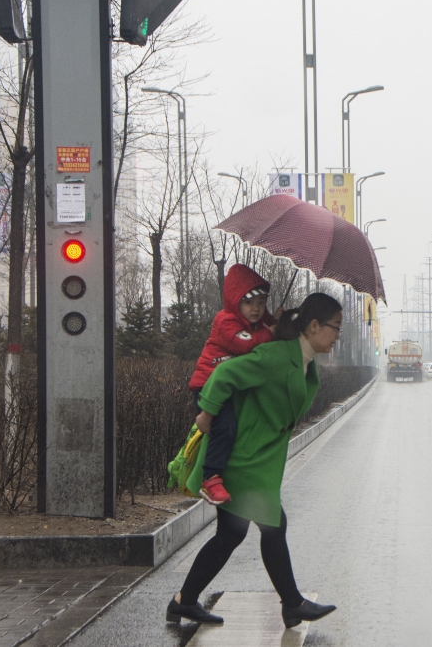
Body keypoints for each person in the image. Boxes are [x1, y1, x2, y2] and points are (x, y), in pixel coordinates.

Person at [167, 293, 342, 628]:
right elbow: (223, 375)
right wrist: (206, 412)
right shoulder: (275, 357)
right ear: (315, 325)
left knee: (231, 534)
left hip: (259, 458)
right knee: (272, 526)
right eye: (335, 328)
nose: (337, 336)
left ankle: (184, 601)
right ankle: (292, 604)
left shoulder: (303, 362)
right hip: (241, 459)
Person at [188, 264, 277, 505]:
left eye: (261, 302)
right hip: (208, 388)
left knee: (236, 429)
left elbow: (268, 334)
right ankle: (210, 478)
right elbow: (244, 345)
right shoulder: (226, 321)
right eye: (250, 302)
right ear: (236, 301)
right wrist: (269, 333)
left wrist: (277, 324)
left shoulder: (255, 324)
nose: (256, 308)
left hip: (228, 389)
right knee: (225, 428)